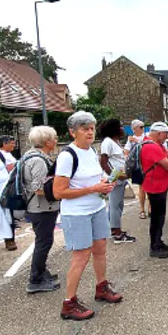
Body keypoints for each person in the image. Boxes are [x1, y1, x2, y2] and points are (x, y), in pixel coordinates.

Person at [53, 111, 123, 321]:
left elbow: (96, 175)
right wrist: (93, 188)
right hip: (77, 214)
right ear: (73, 132)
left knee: (100, 249)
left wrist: (105, 184)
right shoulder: (67, 156)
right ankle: (69, 303)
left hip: (96, 208)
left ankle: (101, 287)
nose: (90, 132)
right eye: (85, 129)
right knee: (81, 256)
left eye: (92, 128)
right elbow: (59, 192)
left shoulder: (92, 151)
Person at [21, 125, 61, 293]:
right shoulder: (38, 160)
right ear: (46, 141)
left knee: (43, 241)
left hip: (39, 208)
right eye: (54, 138)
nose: (56, 140)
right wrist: (61, 193)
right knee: (43, 242)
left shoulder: (31, 156)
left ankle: (41, 272)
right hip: (41, 208)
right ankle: (35, 279)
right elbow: (38, 188)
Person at [140, 122, 168, 258]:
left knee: (159, 216)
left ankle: (158, 241)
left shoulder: (156, 145)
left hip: (158, 184)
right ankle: (154, 245)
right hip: (155, 185)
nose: (167, 137)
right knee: (157, 217)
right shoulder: (152, 147)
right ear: (159, 133)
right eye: (166, 134)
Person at [98, 118, 135, 243]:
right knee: (115, 206)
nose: (123, 129)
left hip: (120, 178)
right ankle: (116, 233)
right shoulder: (107, 142)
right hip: (114, 178)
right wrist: (115, 176)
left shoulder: (116, 141)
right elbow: (103, 161)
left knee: (118, 204)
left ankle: (111, 229)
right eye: (121, 126)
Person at [127, 120, 149, 220]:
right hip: (138, 166)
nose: (142, 128)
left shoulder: (147, 136)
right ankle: (142, 210)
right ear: (134, 129)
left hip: (148, 165)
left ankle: (149, 208)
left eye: (143, 126)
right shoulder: (130, 140)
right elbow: (126, 152)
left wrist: (137, 142)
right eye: (140, 127)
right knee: (142, 188)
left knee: (150, 188)